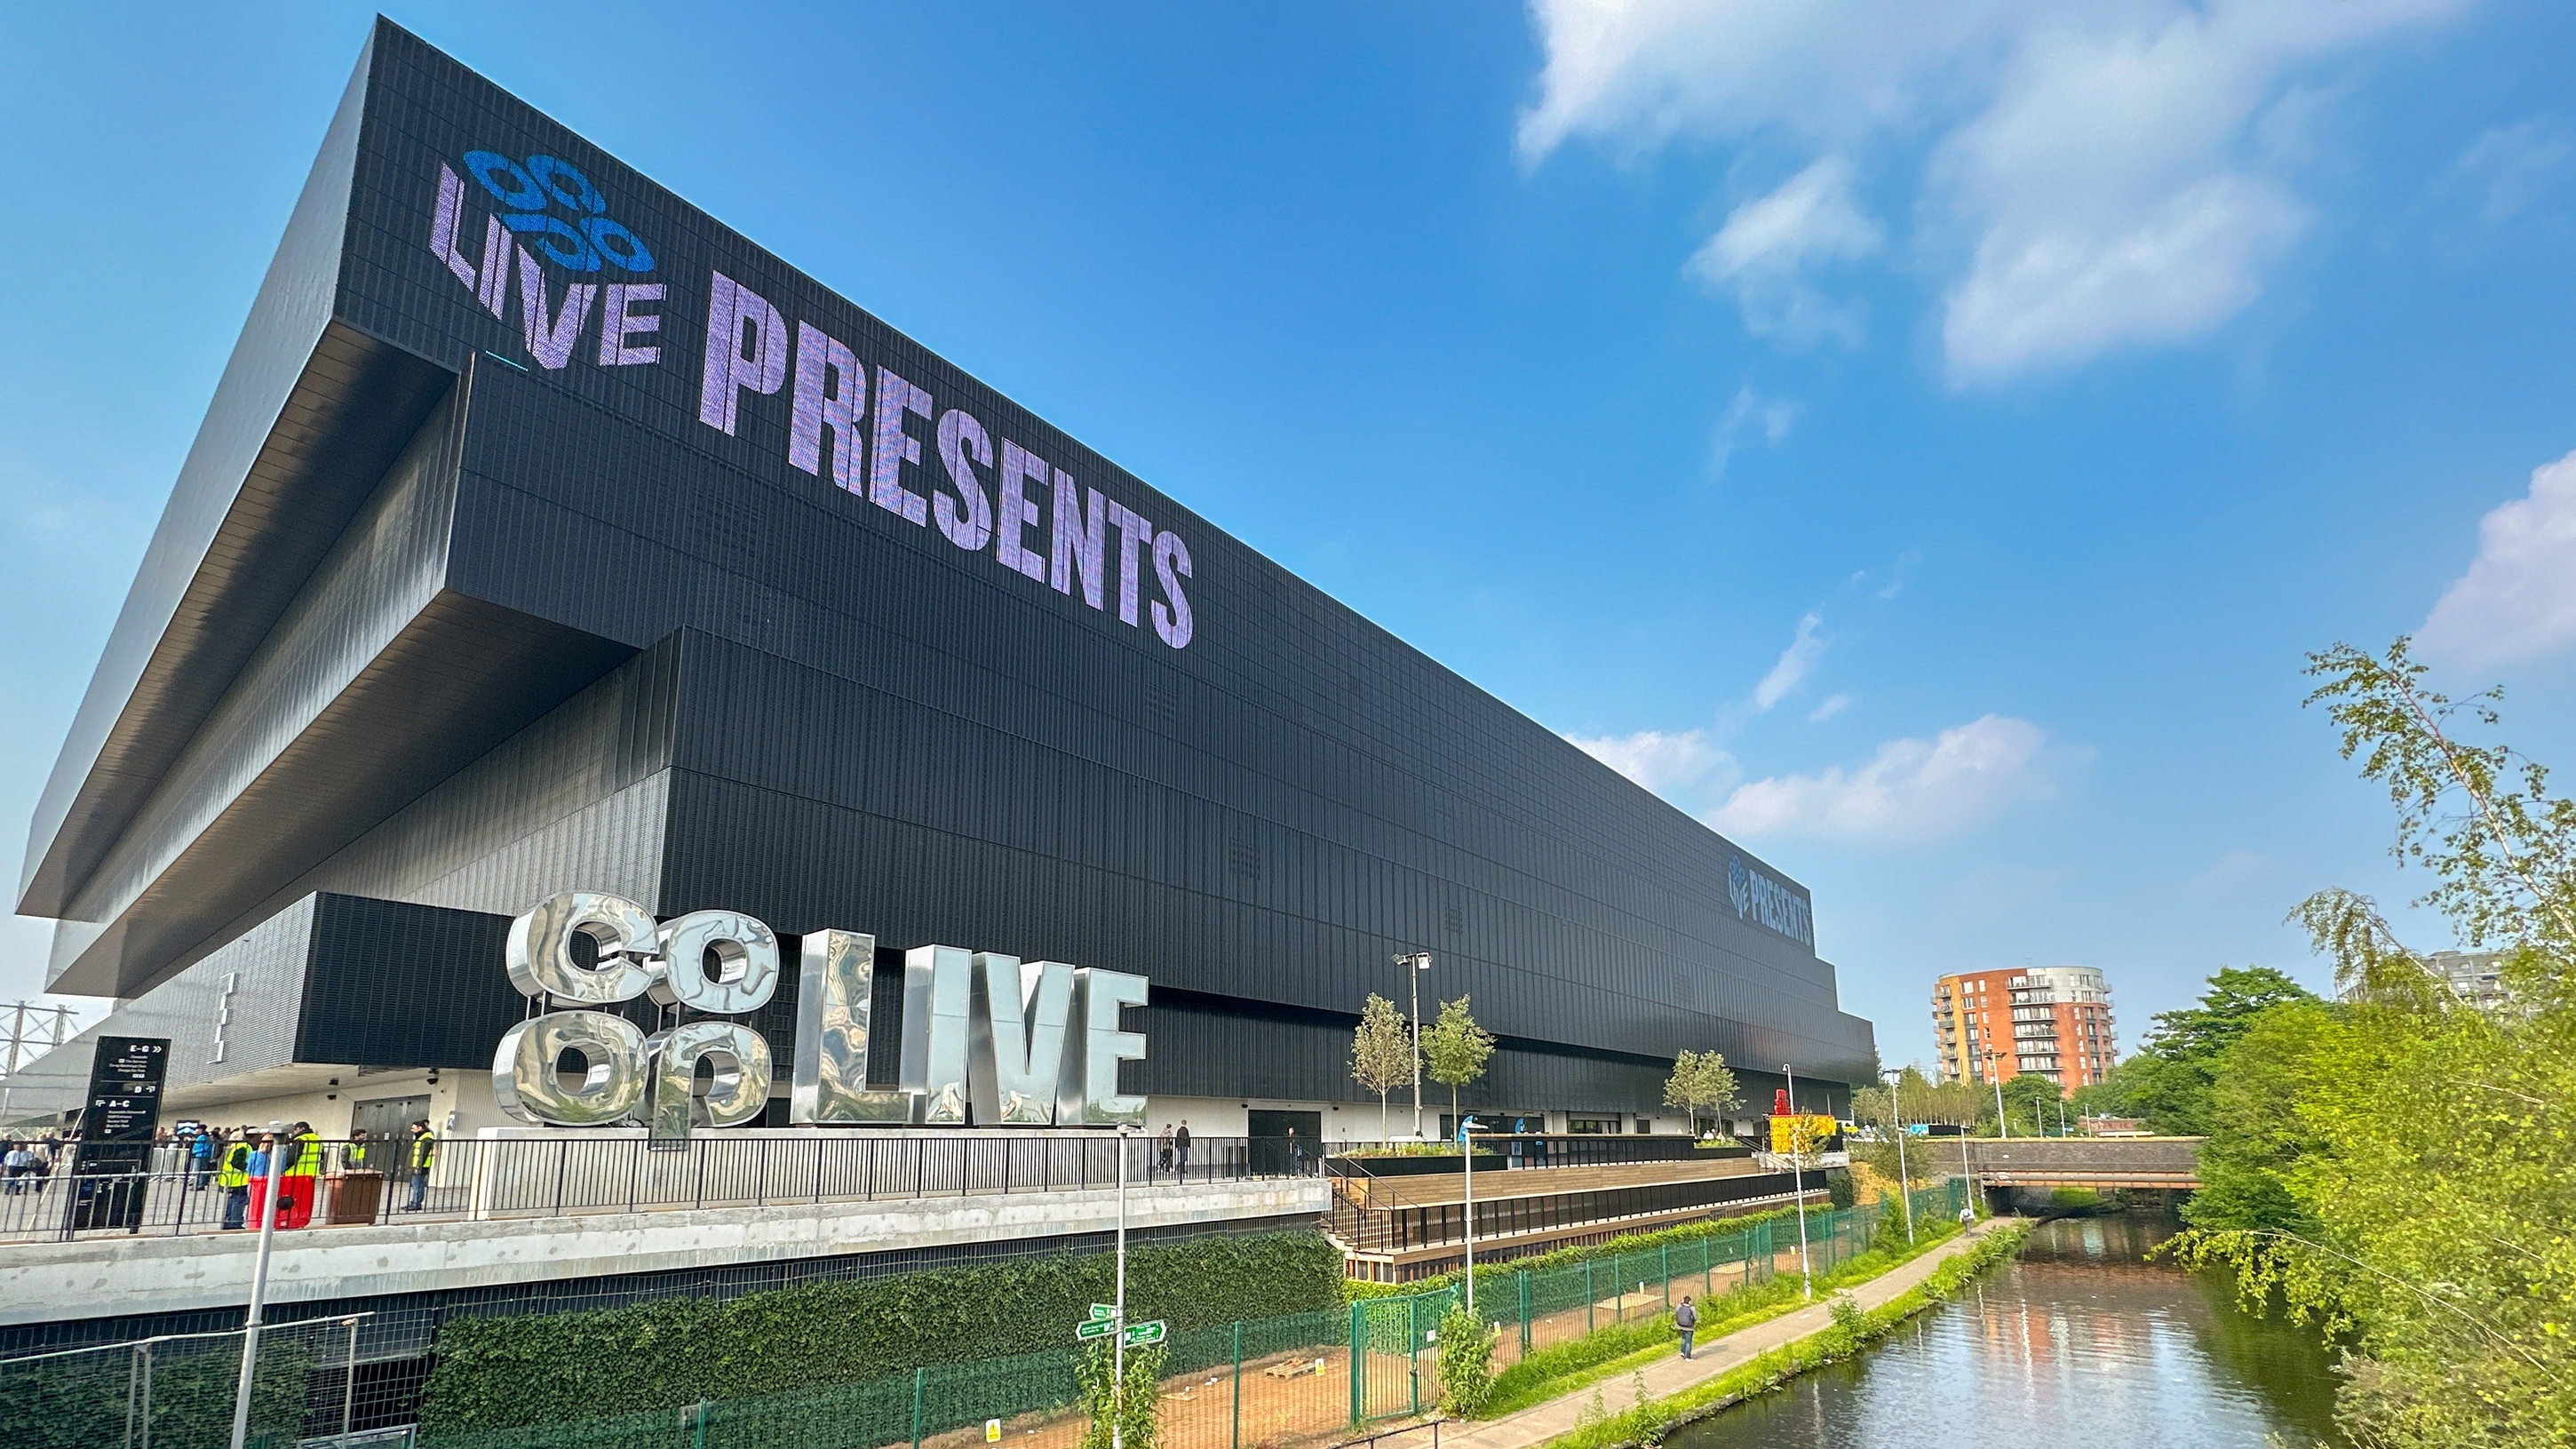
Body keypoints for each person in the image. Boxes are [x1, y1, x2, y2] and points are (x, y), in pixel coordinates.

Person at [279, 1121, 322, 1229]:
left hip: (296, 1174)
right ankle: (302, 1219)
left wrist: (283, 1168)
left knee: (291, 1200)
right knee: (306, 1199)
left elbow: (292, 1158)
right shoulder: (317, 1139)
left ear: (300, 1129)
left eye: (295, 1129)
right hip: (311, 1174)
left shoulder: (301, 1140)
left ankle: (290, 1220)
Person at [218, 1129, 253, 1230]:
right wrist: (249, 1167)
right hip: (240, 1180)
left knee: (232, 1201)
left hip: (230, 1179)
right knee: (239, 1202)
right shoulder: (243, 1147)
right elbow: (237, 1163)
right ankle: (235, 1223)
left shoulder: (234, 1147)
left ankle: (228, 1221)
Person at [404, 1119, 435, 1212]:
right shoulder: (422, 1137)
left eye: (414, 1128)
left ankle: (416, 1203)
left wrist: (418, 1166)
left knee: (418, 1185)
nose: (412, 1130)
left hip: (420, 1166)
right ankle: (414, 1202)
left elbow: (423, 1154)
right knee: (416, 1185)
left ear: (420, 1128)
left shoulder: (426, 1139)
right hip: (418, 1165)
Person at [189, 1126, 218, 1190]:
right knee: (202, 1170)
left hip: (200, 1155)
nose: (195, 1131)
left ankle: (198, 1185)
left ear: (200, 1130)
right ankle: (200, 1184)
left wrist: (194, 1152)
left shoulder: (201, 1137)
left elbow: (198, 1147)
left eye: (197, 1129)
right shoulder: (206, 1137)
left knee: (198, 1170)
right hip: (205, 1155)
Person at [1675, 1294, 1698, 1360]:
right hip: (1689, 1327)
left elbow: (1676, 1312)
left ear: (1683, 1300)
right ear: (1690, 1301)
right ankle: (1688, 1356)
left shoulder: (1679, 1306)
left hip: (1680, 1326)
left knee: (1683, 1338)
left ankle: (1682, 1351)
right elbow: (1695, 1317)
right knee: (1688, 1341)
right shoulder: (1692, 1308)